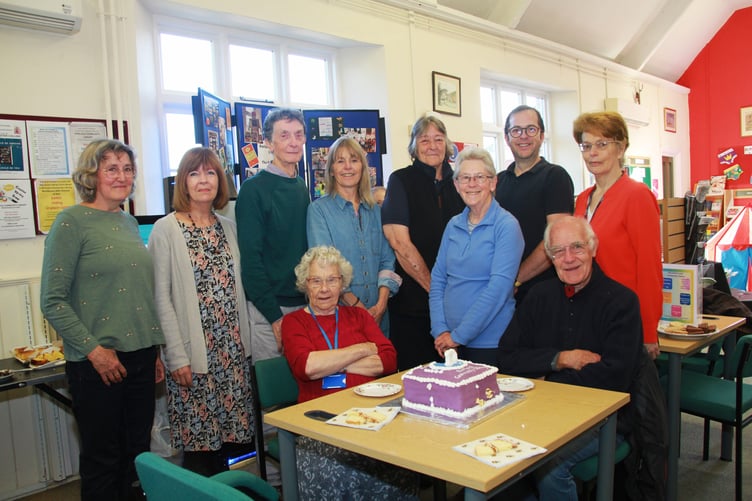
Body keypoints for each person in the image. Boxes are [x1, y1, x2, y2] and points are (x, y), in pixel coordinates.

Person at [40, 139, 165, 501]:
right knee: (103, 462)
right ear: (90, 175)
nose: (122, 176)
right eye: (111, 168)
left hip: (140, 357)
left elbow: (136, 295)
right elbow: (52, 300)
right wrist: (95, 351)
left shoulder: (127, 221)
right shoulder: (71, 221)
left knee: (137, 457)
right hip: (98, 363)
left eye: (127, 169)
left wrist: (154, 351)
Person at [497, 216, 643, 500]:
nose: (568, 259)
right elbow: (506, 357)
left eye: (576, 247)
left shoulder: (622, 302)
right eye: (558, 251)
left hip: (605, 422)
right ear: (550, 258)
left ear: (593, 248)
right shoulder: (539, 296)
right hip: (538, 414)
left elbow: (614, 379)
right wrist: (560, 359)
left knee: (548, 464)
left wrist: (543, 375)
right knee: (492, 453)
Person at [281, 246, 418, 499]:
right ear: (305, 284)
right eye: (316, 281)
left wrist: (332, 362)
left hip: (370, 414)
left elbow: (388, 360)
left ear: (342, 283)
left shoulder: (358, 316)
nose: (324, 289)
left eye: (332, 280)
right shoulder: (294, 322)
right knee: (338, 466)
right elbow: (308, 367)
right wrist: (363, 349)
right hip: (320, 421)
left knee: (402, 455)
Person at [148, 147, 254, 476]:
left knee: (235, 448)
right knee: (200, 450)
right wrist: (175, 356)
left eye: (210, 173)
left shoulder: (229, 227)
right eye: (194, 174)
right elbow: (160, 298)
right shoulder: (166, 230)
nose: (203, 180)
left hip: (233, 356)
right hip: (194, 360)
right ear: (183, 182)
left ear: (220, 181)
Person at [572, 111, 662, 359]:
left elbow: (649, 265)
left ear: (620, 149)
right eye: (586, 146)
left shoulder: (637, 196)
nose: (592, 153)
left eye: (602, 144)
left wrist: (648, 331)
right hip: (586, 314)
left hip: (623, 315)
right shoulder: (582, 199)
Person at [381, 114, 465, 370]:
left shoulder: (460, 182)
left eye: (438, 139)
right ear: (414, 146)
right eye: (424, 139)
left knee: (459, 380)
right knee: (417, 381)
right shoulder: (401, 181)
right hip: (414, 305)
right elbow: (400, 243)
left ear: (447, 144)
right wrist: (435, 291)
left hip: (460, 304)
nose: (432, 145)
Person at [430, 147, 523, 365]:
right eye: (465, 178)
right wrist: (440, 330)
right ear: (456, 185)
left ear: (493, 183)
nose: (472, 184)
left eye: (480, 177)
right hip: (448, 343)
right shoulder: (453, 225)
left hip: (490, 344)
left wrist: (458, 335)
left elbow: (498, 289)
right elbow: (438, 281)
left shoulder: (506, 226)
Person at [236, 108, 310, 361]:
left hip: (304, 305)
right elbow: (251, 262)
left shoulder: (300, 186)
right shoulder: (253, 190)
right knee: (275, 395)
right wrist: (274, 317)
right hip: (270, 309)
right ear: (268, 142)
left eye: (298, 135)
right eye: (284, 135)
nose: (293, 142)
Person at [307, 137, 401, 336]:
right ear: (331, 169)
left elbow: (387, 260)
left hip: (379, 317)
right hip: (340, 316)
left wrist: (381, 304)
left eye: (354, 160)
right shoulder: (319, 211)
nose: (348, 167)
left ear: (363, 167)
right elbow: (325, 267)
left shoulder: (376, 211)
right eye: (340, 161)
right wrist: (358, 307)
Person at [494, 105, 574, 305]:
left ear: (541, 135)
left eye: (531, 129)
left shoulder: (556, 177)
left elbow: (555, 239)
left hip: (543, 292)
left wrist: (517, 278)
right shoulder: (498, 181)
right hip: (503, 291)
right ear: (506, 138)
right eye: (516, 130)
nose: (523, 136)